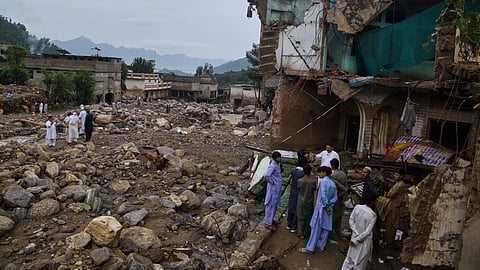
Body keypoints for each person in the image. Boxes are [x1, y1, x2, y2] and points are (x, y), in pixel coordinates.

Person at [300, 166, 337, 253]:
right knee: (325, 228)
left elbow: (323, 195)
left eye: (320, 172)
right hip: (329, 209)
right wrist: (330, 205)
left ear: (324, 173)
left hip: (321, 208)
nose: (318, 174)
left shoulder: (323, 182)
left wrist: (325, 204)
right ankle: (321, 246)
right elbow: (335, 197)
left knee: (316, 228)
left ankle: (310, 248)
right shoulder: (333, 183)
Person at [341, 194, 378, 270]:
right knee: (360, 263)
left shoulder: (357, 207)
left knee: (349, 259)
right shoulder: (373, 215)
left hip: (354, 237)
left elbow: (351, 220)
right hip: (363, 242)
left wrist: (356, 233)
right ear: (373, 202)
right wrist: (358, 239)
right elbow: (367, 232)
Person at [376, 169, 408, 245]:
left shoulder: (400, 185)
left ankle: (389, 242)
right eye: (394, 174)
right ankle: (387, 240)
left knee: (391, 225)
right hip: (392, 205)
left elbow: (390, 194)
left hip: (394, 206)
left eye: (396, 175)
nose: (394, 176)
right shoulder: (397, 183)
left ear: (401, 176)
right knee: (388, 224)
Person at [287, 153, 308, 232]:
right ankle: (293, 226)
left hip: (293, 190)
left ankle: (289, 223)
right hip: (300, 192)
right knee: (297, 208)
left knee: (291, 206)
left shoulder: (293, 171)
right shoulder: (303, 173)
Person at [296, 164, 316, 239]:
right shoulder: (313, 181)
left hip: (301, 200)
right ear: (310, 171)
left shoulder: (300, 181)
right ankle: (307, 232)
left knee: (300, 217)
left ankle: (300, 233)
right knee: (308, 217)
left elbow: (298, 189)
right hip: (309, 200)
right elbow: (314, 189)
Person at [264, 151, 283, 231]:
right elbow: (266, 175)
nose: (279, 159)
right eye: (278, 157)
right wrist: (272, 182)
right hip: (273, 188)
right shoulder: (272, 166)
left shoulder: (277, 164)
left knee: (274, 204)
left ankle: (271, 220)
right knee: (270, 205)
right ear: (274, 158)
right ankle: (268, 223)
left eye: (280, 157)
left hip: (277, 188)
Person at [331, 158, 348, 236]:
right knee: (340, 214)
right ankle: (338, 230)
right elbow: (346, 185)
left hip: (336, 196)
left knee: (334, 214)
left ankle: (332, 230)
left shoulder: (334, 175)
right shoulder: (343, 173)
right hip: (342, 196)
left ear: (332, 166)